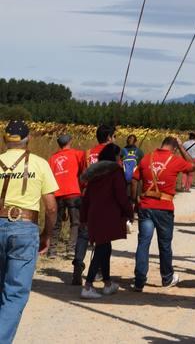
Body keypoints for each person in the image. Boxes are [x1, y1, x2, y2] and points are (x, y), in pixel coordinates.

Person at [0, 119, 58, 343]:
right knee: (14, 292)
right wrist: (47, 234)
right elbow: (51, 207)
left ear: (5, 139)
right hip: (25, 228)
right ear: (28, 139)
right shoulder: (39, 164)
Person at [130, 135, 194, 291]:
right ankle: (167, 277)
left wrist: (135, 200)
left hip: (146, 206)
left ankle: (139, 281)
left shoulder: (147, 158)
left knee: (143, 243)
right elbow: (193, 165)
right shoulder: (175, 160)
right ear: (174, 148)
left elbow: (134, 179)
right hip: (164, 208)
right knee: (164, 245)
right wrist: (181, 147)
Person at [79, 143, 133, 299]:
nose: (121, 159)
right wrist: (129, 212)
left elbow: (86, 198)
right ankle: (88, 285)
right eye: (120, 156)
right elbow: (121, 195)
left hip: (94, 214)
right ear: (114, 157)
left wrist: (83, 217)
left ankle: (108, 283)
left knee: (105, 247)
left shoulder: (94, 174)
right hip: (109, 215)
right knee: (101, 249)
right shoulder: (115, 172)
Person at [72, 122, 117, 285]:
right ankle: (99, 272)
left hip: (86, 197)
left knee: (83, 234)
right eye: (114, 136)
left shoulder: (87, 153)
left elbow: (81, 176)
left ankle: (78, 262)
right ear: (109, 137)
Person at [47, 133, 85, 258]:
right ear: (70, 141)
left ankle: (52, 250)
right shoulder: (77, 153)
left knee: (57, 223)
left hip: (57, 194)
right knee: (75, 222)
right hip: (73, 192)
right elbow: (83, 169)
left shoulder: (53, 158)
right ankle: (70, 249)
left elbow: (49, 177)